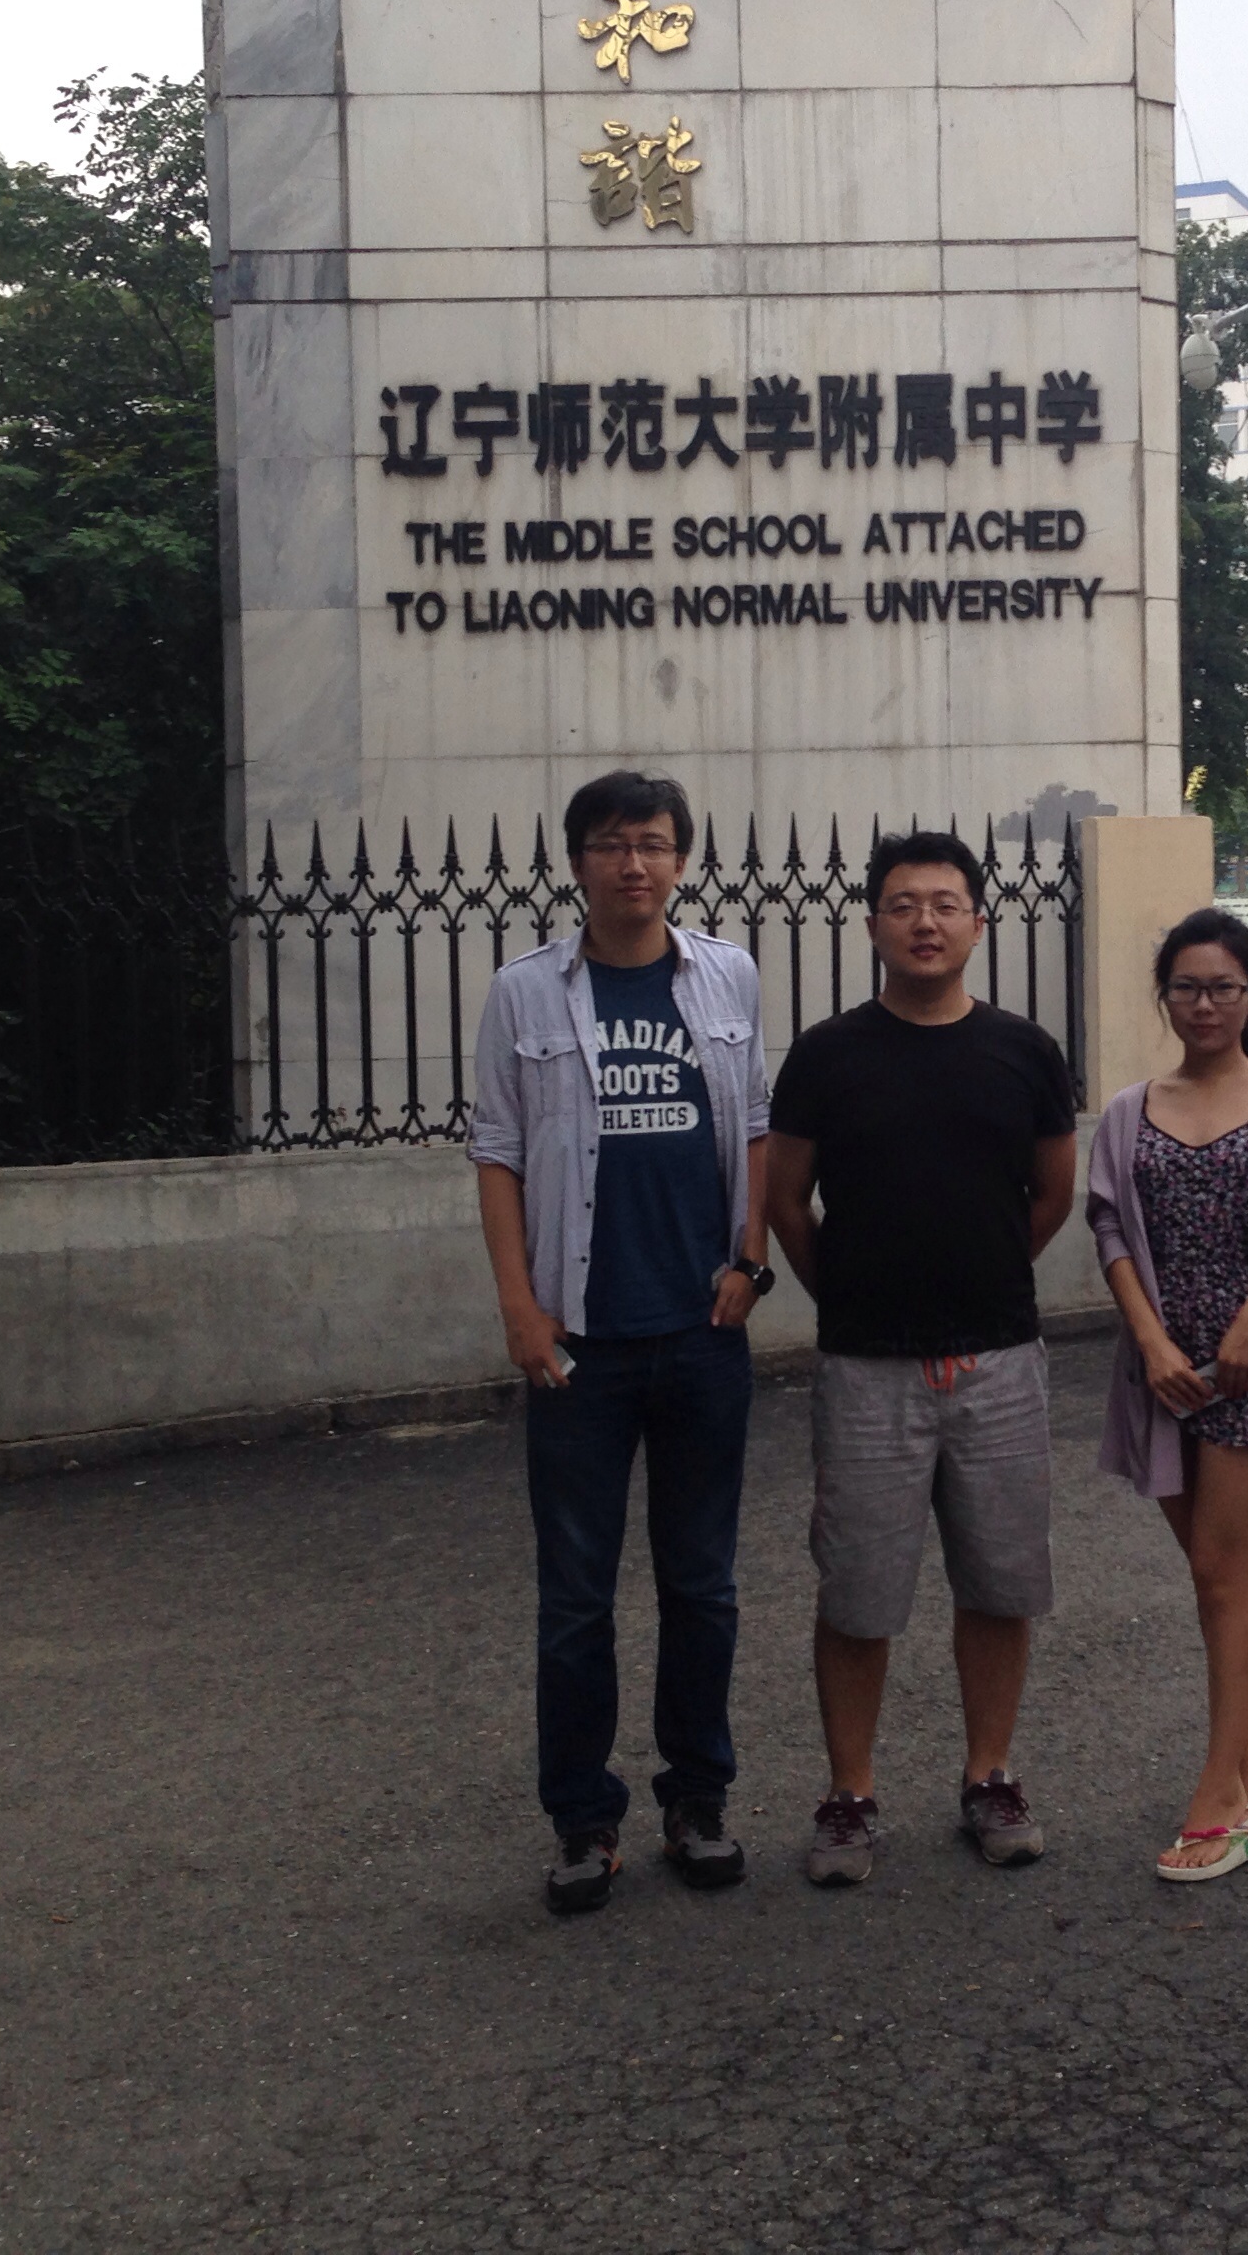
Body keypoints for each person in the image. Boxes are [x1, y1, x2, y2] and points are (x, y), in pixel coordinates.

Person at [470, 770, 774, 1916]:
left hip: (700, 1336)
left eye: (651, 843)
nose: (632, 863)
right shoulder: (524, 993)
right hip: (579, 1347)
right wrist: (519, 1305)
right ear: (577, 862)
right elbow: (496, 1152)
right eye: (610, 844)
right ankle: (583, 1820)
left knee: (703, 1587)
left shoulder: (728, 974)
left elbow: (755, 1128)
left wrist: (749, 1263)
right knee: (575, 1600)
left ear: (681, 859)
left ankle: (698, 1801)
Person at [766, 829, 1079, 1886]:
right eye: (903, 905)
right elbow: (786, 1202)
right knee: (857, 1591)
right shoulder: (827, 1055)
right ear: (873, 925)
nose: (925, 923)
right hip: (866, 1368)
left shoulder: (1025, 1052)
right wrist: (856, 1301)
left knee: (998, 1582)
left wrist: (975, 1289)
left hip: (999, 1362)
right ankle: (849, 1794)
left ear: (978, 924)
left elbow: (1052, 1194)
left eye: (946, 904)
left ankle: (989, 1775)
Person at [1085, 909, 1248, 1882]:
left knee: (1222, 1571)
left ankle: (1225, 1793)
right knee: (1209, 1570)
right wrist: (1150, 1341)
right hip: (1162, 1371)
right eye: (1187, 987)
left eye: (1223, 987)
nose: (1204, 1004)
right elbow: (1111, 1228)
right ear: (1166, 996)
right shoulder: (1129, 1109)